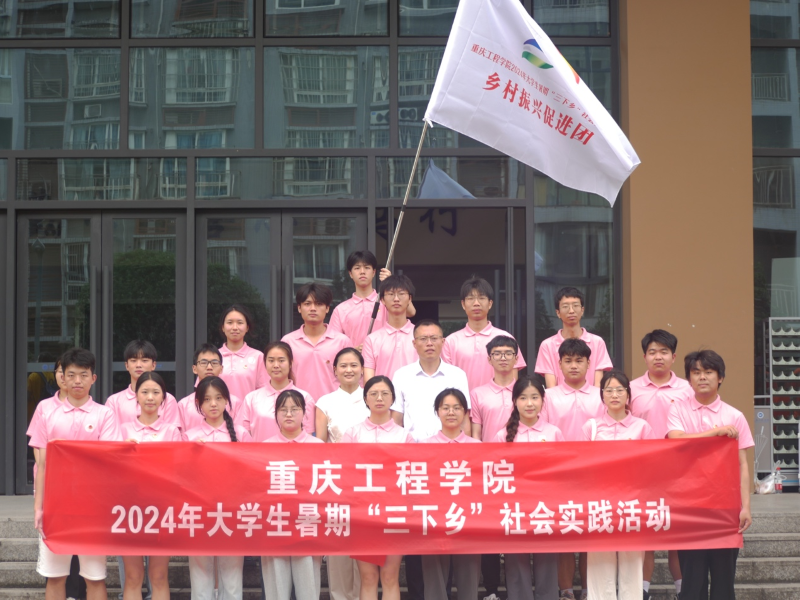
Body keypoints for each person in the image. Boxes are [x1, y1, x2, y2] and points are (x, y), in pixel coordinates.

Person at [29, 348, 121, 600]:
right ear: (62, 378)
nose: (77, 381)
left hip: (92, 507)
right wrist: (39, 507)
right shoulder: (47, 412)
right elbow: (42, 465)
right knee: (55, 576)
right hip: (56, 506)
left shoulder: (105, 414)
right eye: (71, 375)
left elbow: (108, 461)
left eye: (83, 375)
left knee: (95, 577)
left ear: (93, 378)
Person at [667, 350, 753, 600]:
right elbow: (676, 440)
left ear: (720, 377)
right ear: (689, 379)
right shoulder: (677, 410)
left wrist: (746, 507)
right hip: (689, 507)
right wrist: (715, 433)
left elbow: (742, 464)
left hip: (724, 508)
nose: (702, 377)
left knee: (724, 583)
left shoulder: (734, 416)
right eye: (696, 372)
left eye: (708, 372)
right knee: (692, 582)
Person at [540, 338, 604, 600]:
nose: (574, 366)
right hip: (559, 475)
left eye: (579, 361)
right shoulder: (548, 397)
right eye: (568, 361)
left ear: (589, 364)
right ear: (559, 365)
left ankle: (589, 590)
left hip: (595, 475)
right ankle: (566, 591)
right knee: (565, 532)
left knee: (590, 534)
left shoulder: (602, 395)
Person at [582, 370, 655, 600]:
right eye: (609, 390)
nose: (614, 395)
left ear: (628, 395)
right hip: (599, 504)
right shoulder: (591, 427)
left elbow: (651, 467)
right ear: (602, 395)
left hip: (632, 503)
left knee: (632, 565)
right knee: (599, 565)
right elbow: (581, 466)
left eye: (619, 390)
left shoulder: (642, 427)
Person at [629, 330, 690, 599]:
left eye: (664, 352)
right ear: (644, 356)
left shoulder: (687, 389)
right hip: (641, 471)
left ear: (673, 357)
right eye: (652, 352)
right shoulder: (631, 388)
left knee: (677, 534)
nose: (658, 357)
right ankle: (642, 591)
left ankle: (682, 590)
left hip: (679, 471)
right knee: (646, 533)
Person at [342, 376, 414, 600]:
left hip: (394, 512)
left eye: (385, 394)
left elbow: (411, 477)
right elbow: (344, 472)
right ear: (366, 399)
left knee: (390, 576)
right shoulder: (352, 433)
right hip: (363, 513)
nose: (379, 398)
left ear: (393, 398)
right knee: (368, 577)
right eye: (373, 394)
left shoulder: (404, 436)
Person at [494, 375, 561, 600]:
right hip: (515, 508)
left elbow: (563, 472)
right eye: (523, 398)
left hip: (546, 508)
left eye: (534, 397)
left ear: (543, 400)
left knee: (547, 563)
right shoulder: (502, 435)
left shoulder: (554, 433)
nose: (529, 403)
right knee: (516, 565)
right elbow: (495, 474)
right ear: (514, 401)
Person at [184, 376, 250, 600]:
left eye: (219, 398)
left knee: (232, 574)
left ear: (227, 401)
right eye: (207, 399)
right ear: (198, 404)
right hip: (199, 511)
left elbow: (250, 473)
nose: (213, 404)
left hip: (232, 510)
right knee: (200, 573)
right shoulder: (190, 437)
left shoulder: (241, 434)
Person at [120, 372, 181, 600]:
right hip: (128, 509)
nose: (150, 397)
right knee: (133, 576)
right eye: (144, 392)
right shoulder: (122, 430)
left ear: (163, 397)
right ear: (136, 396)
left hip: (162, 509)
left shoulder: (172, 431)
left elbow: (179, 470)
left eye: (156, 392)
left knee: (159, 575)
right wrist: (120, 449)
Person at [315, 347, 368, 600]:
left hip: (368, 481)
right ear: (334, 370)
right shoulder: (325, 402)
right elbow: (320, 444)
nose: (349, 370)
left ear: (362, 369)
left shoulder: (373, 397)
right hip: (336, 480)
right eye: (343, 366)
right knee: (338, 542)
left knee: (364, 548)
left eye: (354, 365)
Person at [469, 334, 519, 598]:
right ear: (489, 359)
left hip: (521, 471)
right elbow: (475, 434)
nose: (503, 358)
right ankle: (490, 590)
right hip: (489, 471)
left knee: (515, 528)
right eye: (497, 353)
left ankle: (516, 589)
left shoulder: (527, 391)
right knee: (489, 531)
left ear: (516, 358)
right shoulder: (478, 393)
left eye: (508, 353)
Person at [262, 390, 324, 600]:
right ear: (276, 414)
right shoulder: (263, 448)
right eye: (283, 410)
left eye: (295, 409)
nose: (289, 414)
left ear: (304, 413)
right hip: (274, 525)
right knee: (276, 592)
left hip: (308, 525)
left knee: (309, 591)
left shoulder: (318, 447)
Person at [420, 389, 481, 600]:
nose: (451, 412)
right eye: (445, 408)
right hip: (434, 520)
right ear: (437, 411)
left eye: (456, 408)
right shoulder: (423, 446)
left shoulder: (478, 448)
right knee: (434, 579)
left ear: (465, 412)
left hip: (469, 520)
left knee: (469, 578)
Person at [391, 320, 471, 441]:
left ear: (443, 341)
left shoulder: (457, 375)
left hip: (448, 447)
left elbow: (464, 419)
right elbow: (397, 419)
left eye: (434, 338)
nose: (429, 343)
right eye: (423, 339)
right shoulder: (401, 375)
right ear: (414, 343)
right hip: (412, 446)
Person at [442, 276, 526, 390]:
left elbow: (512, 381)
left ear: (490, 303)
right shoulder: (450, 341)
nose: (476, 303)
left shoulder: (505, 338)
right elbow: (446, 380)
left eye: (481, 298)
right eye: (470, 298)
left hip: (497, 401)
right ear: (463, 304)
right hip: (462, 401)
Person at [282, 283, 353, 412]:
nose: (313, 308)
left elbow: (353, 380)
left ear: (327, 308)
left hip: (335, 411)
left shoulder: (342, 342)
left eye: (319, 304)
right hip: (298, 411)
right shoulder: (288, 342)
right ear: (299, 308)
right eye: (307, 304)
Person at [328, 250, 415, 350]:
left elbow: (411, 312)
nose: (362, 272)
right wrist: (353, 351)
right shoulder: (340, 310)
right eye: (357, 268)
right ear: (350, 274)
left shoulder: (386, 301)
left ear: (374, 272)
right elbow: (332, 344)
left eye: (367, 267)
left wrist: (391, 283)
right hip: (354, 359)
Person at [535, 287, 612, 388]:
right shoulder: (547, 345)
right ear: (558, 313)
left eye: (575, 305)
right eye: (565, 306)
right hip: (559, 398)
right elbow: (551, 387)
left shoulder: (597, 342)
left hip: (591, 397)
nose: (571, 311)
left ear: (582, 310)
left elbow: (598, 385)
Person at [241, 342, 314, 441]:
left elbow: (308, 437)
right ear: (265, 363)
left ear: (291, 363)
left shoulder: (305, 398)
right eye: (271, 360)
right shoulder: (251, 398)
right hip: (260, 451)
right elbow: (244, 437)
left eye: (281, 360)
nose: (276, 365)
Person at [106, 340, 180, 427]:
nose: (138, 365)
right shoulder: (114, 401)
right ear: (126, 365)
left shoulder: (167, 399)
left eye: (144, 360)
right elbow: (111, 433)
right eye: (133, 360)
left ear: (153, 365)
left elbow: (172, 432)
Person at [362, 274, 417, 381]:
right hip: (382, 392)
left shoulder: (421, 336)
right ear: (382, 300)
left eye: (401, 294)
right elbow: (368, 380)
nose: (396, 299)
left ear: (410, 298)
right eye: (391, 294)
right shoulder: (372, 340)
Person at [179, 343, 244, 432]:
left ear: (221, 368)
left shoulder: (235, 403)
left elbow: (240, 434)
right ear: (194, 369)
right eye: (204, 363)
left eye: (214, 363)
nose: (209, 367)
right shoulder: (183, 405)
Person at [217, 304, 269, 401]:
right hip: (219, 411)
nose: (235, 327)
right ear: (223, 327)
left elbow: (264, 393)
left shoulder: (258, 357)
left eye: (240, 323)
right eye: (230, 322)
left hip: (249, 410)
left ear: (247, 327)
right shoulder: (213, 357)